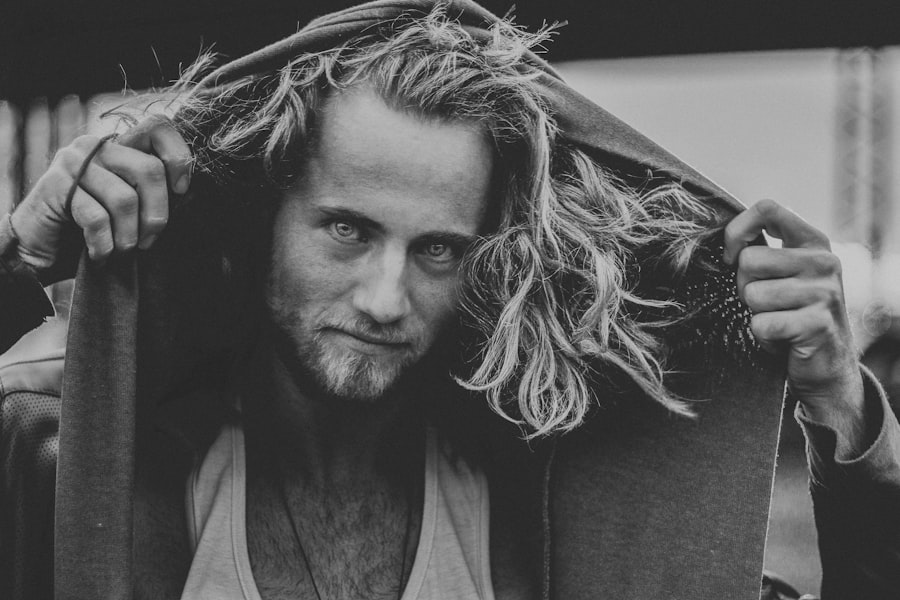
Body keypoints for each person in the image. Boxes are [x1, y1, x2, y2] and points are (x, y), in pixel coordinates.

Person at [1, 1, 898, 599]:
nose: (386, 298)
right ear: (263, 221)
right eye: (347, 230)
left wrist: (843, 405)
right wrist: (19, 260)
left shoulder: (548, 503)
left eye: (437, 249)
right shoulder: (85, 468)